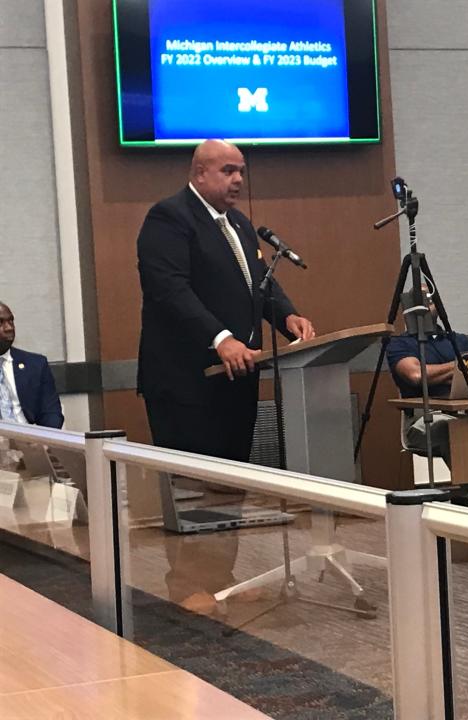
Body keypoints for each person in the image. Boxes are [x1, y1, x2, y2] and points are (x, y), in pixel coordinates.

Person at [136, 139, 315, 611]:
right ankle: (188, 586)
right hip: (185, 380)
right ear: (200, 173)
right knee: (193, 483)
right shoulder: (169, 218)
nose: (238, 180)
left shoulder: (237, 223)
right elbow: (169, 290)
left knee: (228, 484)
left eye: (241, 171)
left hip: (235, 379)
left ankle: (221, 579)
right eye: (229, 171)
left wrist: (287, 316)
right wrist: (220, 337)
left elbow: (259, 283)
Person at [386, 286, 468, 467]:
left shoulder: (458, 340)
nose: (425, 306)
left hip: (465, 412)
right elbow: (416, 374)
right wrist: (458, 366)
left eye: (430, 300)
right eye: (418, 301)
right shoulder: (399, 344)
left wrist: (437, 373)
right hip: (424, 419)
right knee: (450, 429)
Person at [0, 302, 64, 428]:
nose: (9, 328)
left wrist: (46, 441)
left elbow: (51, 413)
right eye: (0, 322)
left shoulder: (36, 365)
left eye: (11, 321)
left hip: (31, 440)